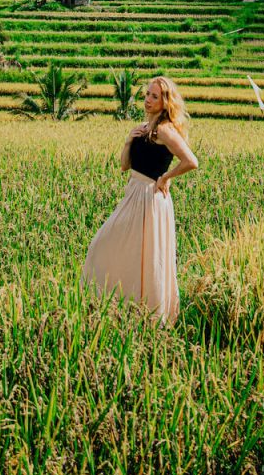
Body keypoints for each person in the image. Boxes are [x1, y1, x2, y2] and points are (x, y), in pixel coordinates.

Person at [81, 75, 198, 323]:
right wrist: (128, 140)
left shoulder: (165, 130)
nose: (148, 99)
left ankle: (149, 316)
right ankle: (124, 309)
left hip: (150, 198)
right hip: (133, 193)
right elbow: (125, 166)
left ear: (165, 102)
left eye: (154, 96)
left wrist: (166, 177)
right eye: (147, 94)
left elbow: (191, 161)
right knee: (111, 247)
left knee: (142, 255)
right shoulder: (144, 129)